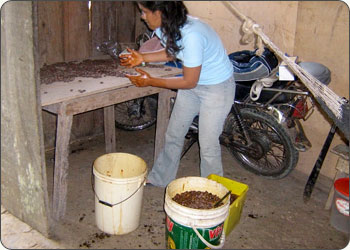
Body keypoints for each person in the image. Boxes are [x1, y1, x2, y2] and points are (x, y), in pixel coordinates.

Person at [119, 1, 235, 187]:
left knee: (208, 145)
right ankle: (161, 179)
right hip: (194, 85)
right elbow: (174, 52)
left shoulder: (192, 35)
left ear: (160, 12)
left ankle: (213, 192)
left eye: (144, 12)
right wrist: (143, 58)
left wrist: (150, 81)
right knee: (174, 134)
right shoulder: (167, 27)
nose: (142, 16)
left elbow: (189, 81)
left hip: (216, 88)